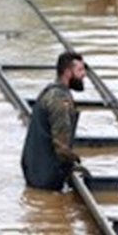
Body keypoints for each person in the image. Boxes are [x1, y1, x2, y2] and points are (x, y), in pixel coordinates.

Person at [22, 50, 89, 190]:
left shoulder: (49, 91)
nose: (84, 74)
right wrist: (77, 163)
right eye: (80, 70)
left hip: (34, 170)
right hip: (46, 176)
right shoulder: (60, 99)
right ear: (68, 72)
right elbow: (61, 146)